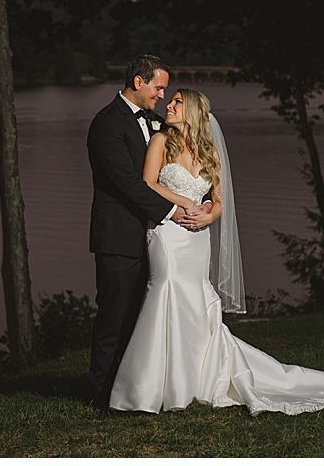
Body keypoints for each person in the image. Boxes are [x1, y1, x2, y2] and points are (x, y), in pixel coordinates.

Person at [109, 88, 324, 415]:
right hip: (167, 232)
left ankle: (194, 379)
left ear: (193, 111)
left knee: (194, 298)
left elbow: (220, 201)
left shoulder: (210, 152)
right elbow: (148, 184)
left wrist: (209, 213)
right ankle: (150, 388)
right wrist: (185, 204)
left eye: (178, 102)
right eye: (171, 100)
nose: (170, 104)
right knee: (164, 288)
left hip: (197, 237)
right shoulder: (161, 142)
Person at [86, 55, 210, 410]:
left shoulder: (160, 124)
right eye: (158, 87)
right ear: (139, 82)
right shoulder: (106, 124)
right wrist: (175, 210)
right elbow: (127, 183)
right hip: (120, 235)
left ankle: (139, 386)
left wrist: (204, 207)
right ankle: (101, 393)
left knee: (146, 317)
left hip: (158, 239)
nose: (162, 94)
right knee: (114, 314)